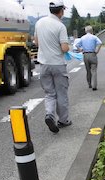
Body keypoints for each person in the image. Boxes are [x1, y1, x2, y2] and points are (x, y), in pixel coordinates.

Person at [34, 1, 72, 133]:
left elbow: (36, 42)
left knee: (50, 93)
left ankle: (49, 114)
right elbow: (64, 48)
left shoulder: (39, 23)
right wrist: (68, 49)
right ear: (61, 10)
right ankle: (63, 120)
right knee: (61, 93)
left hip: (43, 64)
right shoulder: (60, 26)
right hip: (58, 64)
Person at [75, 26, 102, 91]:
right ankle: (94, 86)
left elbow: (76, 45)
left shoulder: (82, 38)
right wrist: (97, 50)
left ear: (85, 31)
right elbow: (100, 43)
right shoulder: (94, 37)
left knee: (88, 70)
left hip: (85, 54)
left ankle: (89, 84)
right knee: (94, 70)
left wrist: (81, 50)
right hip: (93, 54)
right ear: (92, 31)